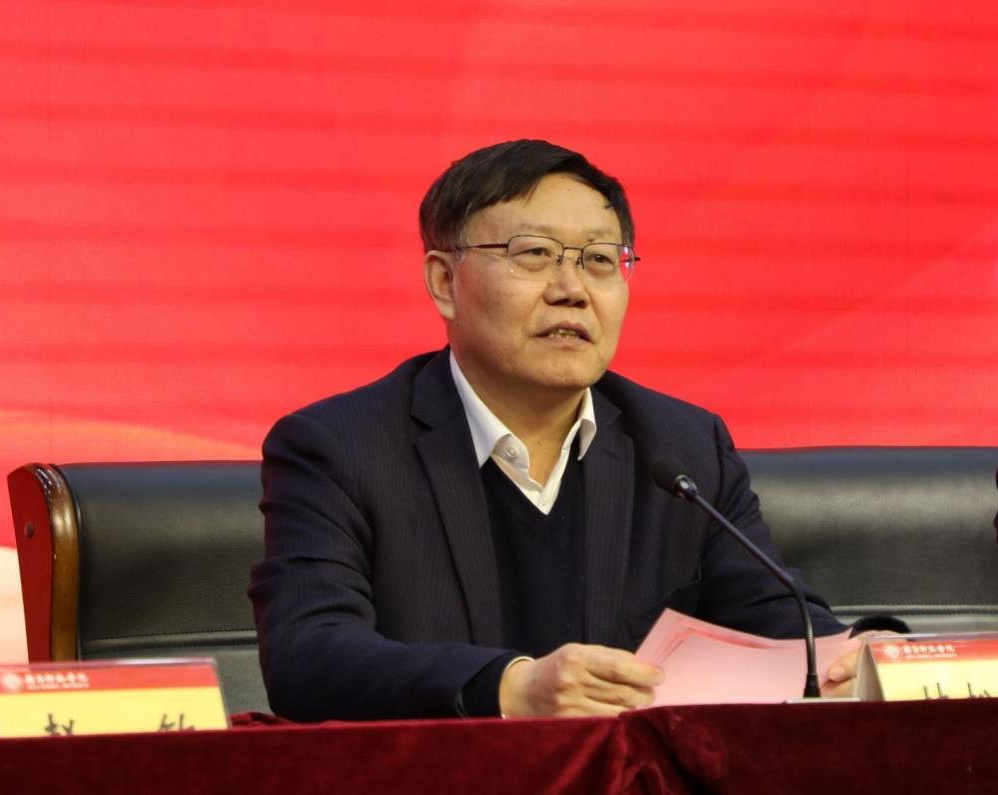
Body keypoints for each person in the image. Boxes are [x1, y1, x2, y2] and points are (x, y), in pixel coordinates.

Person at [249, 139, 867, 722]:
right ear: (444, 282)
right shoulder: (338, 448)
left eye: (599, 260)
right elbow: (309, 655)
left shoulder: (683, 448)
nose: (572, 290)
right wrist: (510, 688)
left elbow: (784, 625)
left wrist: (867, 658)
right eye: (534, 254)